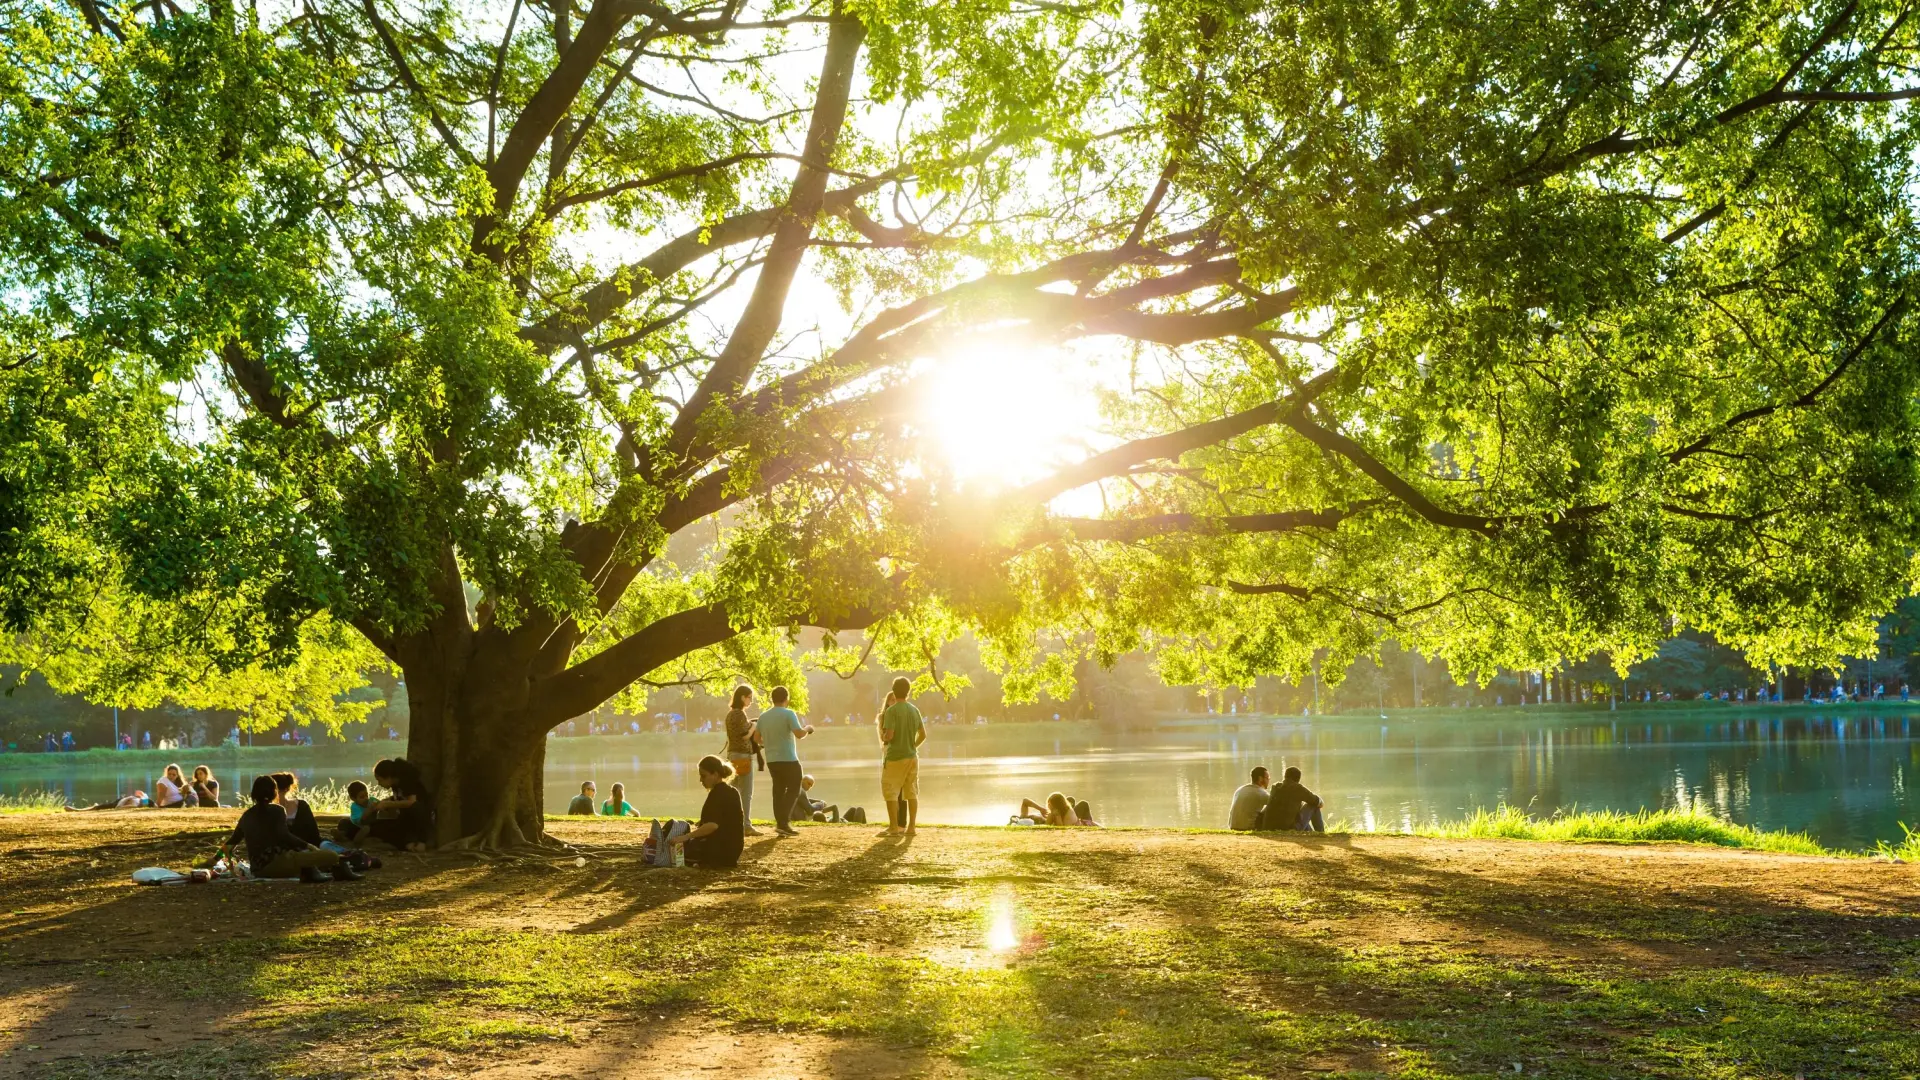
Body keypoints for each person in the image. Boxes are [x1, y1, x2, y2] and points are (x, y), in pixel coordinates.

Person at [223, 774, 358, 882]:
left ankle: (311, 871)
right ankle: (321, 871)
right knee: (332, 856)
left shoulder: (246, 815)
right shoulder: (277, 810)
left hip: (257, 869)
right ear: (274, 792)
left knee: (307, 858)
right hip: (280, 862)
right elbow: (284, 835)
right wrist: (308, 845)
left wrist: (214, 860)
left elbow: (230, 843)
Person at [757, 685, 814, 837]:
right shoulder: (789, 714)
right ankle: (783, 822)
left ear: (772, 699)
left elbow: (757, 738)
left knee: (778, 790)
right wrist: (808, 728)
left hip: (772, 760)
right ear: (786, 699)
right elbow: (800, 734)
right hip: (788, 758)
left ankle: (780, 824)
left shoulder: (763, 716)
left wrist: (767, 744)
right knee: (795, 788)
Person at [668, 756, 745, 869]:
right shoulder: (732, 791)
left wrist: (686, 837)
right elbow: (727, 818)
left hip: (720, 852)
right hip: (733, 851)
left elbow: (712, 825)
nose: (700, 780)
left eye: (703, 775)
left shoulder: (716, 794)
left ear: (715, 774)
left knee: (679, 847)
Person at [879, 677, 925, 836]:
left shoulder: (891, 711)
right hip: (912, 756)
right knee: (911, 791)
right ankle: (911, 827)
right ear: (908, 691)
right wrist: (913, 745)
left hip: (895, 757)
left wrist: (884, 737)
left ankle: (893, 827)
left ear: (894, 690)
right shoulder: (914, 710)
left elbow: (889, 735)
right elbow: (923, 735)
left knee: (890, 791)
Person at [368, 757, 434, 851]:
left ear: (389, 777)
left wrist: (387, 804)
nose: (379, 784)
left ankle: (420, 841)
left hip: (420, 821)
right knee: (378, 827)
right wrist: (383, 803)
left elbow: (411, 803)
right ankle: (406, 843)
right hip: (406, 821)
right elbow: (398, 801)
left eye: (380, 780)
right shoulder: (395, 786)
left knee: (415, 808)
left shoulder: (408, 782)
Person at [723, 685, 762, 836]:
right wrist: (754, 726)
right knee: (746, 792)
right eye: (749, 697)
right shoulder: (739, 714)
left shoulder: (730, 714)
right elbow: (745, 735)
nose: (751, 701)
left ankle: (731, 822)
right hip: (742, 756)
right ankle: (746, 825)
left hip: (732, 755)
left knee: (733, 791)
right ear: (742, 697)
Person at [1261, 766, 1325, 832]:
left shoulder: (1275, 787)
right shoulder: (1298, 788)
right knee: (1313, 805)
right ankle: (1321, 833)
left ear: (1285, 776)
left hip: (1269, 829)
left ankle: (1310, 832)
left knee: (1297, 811)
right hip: (1288, 830)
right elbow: (1319, 802)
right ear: (1298, 779)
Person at [270, 772, 326, 846]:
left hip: (307, 846)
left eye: (278, 791)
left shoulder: (301, 806)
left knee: (327, 846)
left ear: (286, 789)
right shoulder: (268, 810)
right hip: (285, 851)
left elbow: (313, 832)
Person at [1015, 792, 1099, 826]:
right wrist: (1056, 815)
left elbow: (1025, 801)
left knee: (1070, 799)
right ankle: (1089, 823)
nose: (1033, 817)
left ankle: (1087, 822)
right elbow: (1057, 826)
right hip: (1062, 818)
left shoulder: (1023, 816)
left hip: (1057, 815)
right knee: (1083, 804)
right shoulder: (1037, 822)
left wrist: (1040, 809)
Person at [1229, 767, 1271, 831]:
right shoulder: (1262, 793)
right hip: (1247, 828)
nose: (1269, 780)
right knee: (1272, 807)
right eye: (1267, 778)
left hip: (1232, 826)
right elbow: (1276, 805)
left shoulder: (1240, 789)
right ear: (1260, 779)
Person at [65, 790, 146, 810]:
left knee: (99, 807)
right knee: (100, 806)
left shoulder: (138, 803)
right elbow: (140, 793)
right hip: (122, 800)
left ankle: (78, 810)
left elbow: (125, 807)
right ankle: (80, 809)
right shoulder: (144, 799)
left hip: (120, 803)